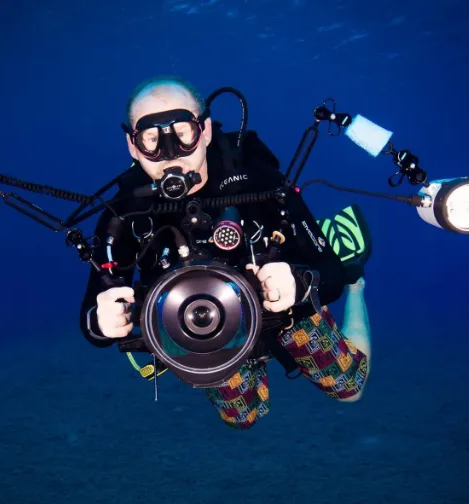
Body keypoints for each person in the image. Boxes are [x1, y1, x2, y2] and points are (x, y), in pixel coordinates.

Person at [80, 76, 371, 429]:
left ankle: (361, 282)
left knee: (350, 389)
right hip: (204, 325)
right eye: (152, 139)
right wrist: (103, 320)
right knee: (243, 418)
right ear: (132, 145)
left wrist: (302, 281)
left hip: (282, 305)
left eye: (182, 132)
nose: (169, 153)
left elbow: (329, 270)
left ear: (203, 131)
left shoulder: (255, 179)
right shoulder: (122, 214)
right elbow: (92, 312)